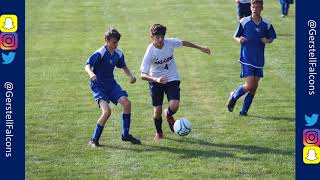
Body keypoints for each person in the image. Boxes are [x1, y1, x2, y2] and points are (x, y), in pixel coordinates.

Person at [140, 24, 211, 140]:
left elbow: (183, 42)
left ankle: (168, 114)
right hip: (156, 81)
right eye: (157, 37)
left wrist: (200, 47)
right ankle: (159, 133)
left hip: (172, 77)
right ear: (152, 37)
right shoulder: (150, 52)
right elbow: (142, 75)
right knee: (157, 110)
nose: (160, 39)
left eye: (162, 36)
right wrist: (156, 79)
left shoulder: (170, 42)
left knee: (174, 105)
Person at [85, 28, 141, 147]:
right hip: (98, 86)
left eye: (117, 42)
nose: (116, 45)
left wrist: (130, 76)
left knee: (127, 103)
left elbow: (123, 66)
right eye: (114, 42)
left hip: (111, 84)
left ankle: (125, 135)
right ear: (106, 40)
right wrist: (91, 74)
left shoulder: (118, 53)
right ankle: (94, 140)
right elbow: (87, 65)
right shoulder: (100, 53)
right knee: (107, 112)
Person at [227, 0, 276, 116]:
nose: (255, 9)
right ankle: (233, 96)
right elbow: (235, 35)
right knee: (250, 85)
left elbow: (271, 37)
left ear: (262, 8)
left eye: (257, 7)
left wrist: (267, 40)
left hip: (259, 60)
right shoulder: (244, 22)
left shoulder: (266, 24)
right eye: (253, 6)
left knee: (254, 88)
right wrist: (240, 40)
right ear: (250, 7)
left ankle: (243, 112)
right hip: (247, 58)